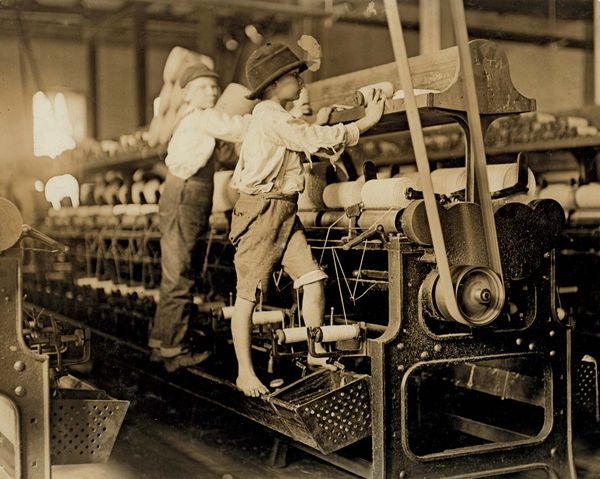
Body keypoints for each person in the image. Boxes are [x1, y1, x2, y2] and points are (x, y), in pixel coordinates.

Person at [229, 42, 385, 396]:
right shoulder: (271, 116)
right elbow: (312, 138)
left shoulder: (277, 117)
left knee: (312, 279)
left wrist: (327, 122)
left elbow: (308, 136)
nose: (301, 82)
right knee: (248, 297)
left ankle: (315, 352)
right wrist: (366, 122)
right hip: (261, 211)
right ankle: (244, 372)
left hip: (283, 210)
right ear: (272, 85)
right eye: (294, 76)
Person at [149, 63, 250, 372]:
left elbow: (224, 154)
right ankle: (175, 351)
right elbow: (240, 128)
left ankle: (162, 342)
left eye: (213, 86)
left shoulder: (193, 120)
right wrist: (273, 115)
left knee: (176, 272)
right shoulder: (203, 118)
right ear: (186, 94)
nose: (212, 91)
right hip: (186, 197)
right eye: (203, 87)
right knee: (180, 274)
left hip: (183, 195)